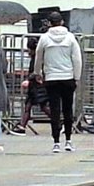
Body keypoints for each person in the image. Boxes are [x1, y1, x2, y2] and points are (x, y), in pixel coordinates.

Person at [32, 11, 82, 153]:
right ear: (62, 22)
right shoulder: (71, 38)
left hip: (52, 78)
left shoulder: (45, 38)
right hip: (67, 77)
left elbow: (38, 57)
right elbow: (77, 59)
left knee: (55, 110)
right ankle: (68, 140)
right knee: (67, 109)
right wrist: (76, 77)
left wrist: (38, 73)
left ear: (49, 23)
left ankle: (56, 142)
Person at [13, 33, 51, 135]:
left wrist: (28, 80)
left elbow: (35, 71)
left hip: (37, 86)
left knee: (38, 106)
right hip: (35, 86)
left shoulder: (36, 58)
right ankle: (22, 126)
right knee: (30, 106)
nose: (27, 51)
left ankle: (58, 121)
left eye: (28, 49)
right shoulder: (40, 56)